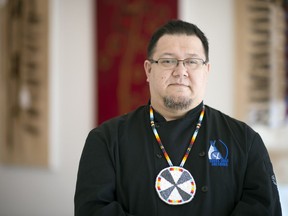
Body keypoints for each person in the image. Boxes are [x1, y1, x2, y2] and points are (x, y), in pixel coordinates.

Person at [74, 20, 282, 216]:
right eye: (167, 61)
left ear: (206, 71)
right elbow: (93, 210)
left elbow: (264, 209)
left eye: (192, 61)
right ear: (148, 69)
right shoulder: (106, 140)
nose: (180, 71)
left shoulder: (244, 140)